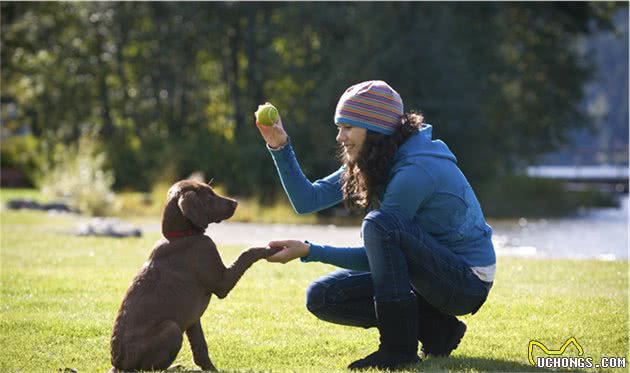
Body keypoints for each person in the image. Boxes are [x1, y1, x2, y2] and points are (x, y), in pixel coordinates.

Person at [255, 80, 495, 370]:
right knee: (323, 297)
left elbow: (375, 254)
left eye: (347, 127)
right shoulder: (376, 156)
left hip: (466, 281)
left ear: (375, 130)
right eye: (339, 126)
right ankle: (437, 329)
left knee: (380, 225)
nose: (340, 137)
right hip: (429, 275)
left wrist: (310, 250)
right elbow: (308, 200)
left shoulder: (414, 170)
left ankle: (398, 351)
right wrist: (279, 145)